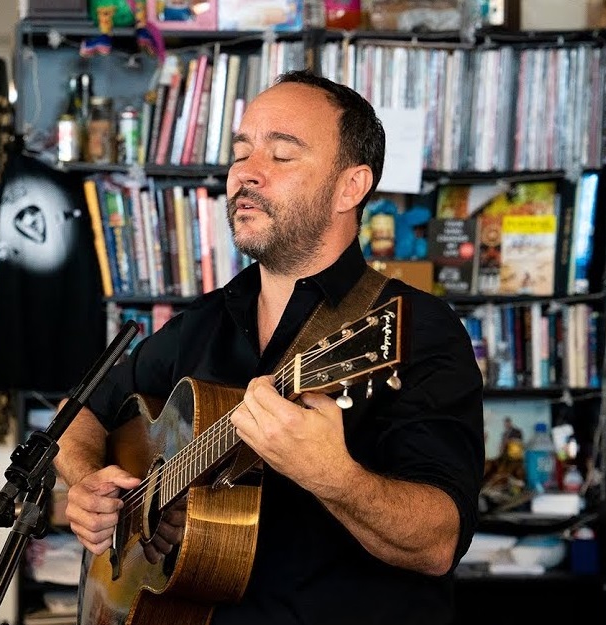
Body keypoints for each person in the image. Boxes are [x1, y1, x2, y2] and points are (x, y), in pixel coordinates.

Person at [53, 70, 484, 624]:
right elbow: (74, 417)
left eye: (281, 155)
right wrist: (90, 481)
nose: (246, 175)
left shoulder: (409, 329)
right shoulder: (203, 323)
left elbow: (438, 544)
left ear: (349, 187)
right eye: (241, 153)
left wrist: (335, 477)